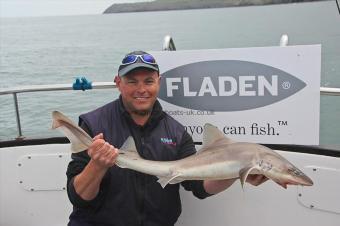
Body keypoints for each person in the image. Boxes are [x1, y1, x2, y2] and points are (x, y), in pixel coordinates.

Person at [66, 50, 267, 226]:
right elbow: (79, 197)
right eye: (132, 81)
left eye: (148, 81)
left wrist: (235, 171)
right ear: (118, 83)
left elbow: (199, 187)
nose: (141, 89)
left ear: (159, 82)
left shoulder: (177, 132)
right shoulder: (94, 125)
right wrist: (97, 166)